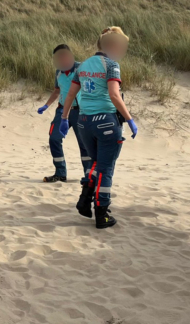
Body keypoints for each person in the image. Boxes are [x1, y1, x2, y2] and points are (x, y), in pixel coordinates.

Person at [61, 27, 138, 229]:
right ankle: (102, 213)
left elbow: (70, 94)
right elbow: (114, 95)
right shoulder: (111, 65)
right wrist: (130, 119)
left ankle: (85, 199)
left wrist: (64, 117)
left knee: (95, 164)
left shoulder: (83, 65)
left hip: (84, 121)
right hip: (105, 121)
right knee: (105, 168)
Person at [37, 45, 91, 183]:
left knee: (85, 144)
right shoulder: (58, 72)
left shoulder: (82, 68)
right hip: (62, 111)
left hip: (80, 111)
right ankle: (60, 173)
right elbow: (56, 91)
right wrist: (46, 105)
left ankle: (89, 175)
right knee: (54, 139)